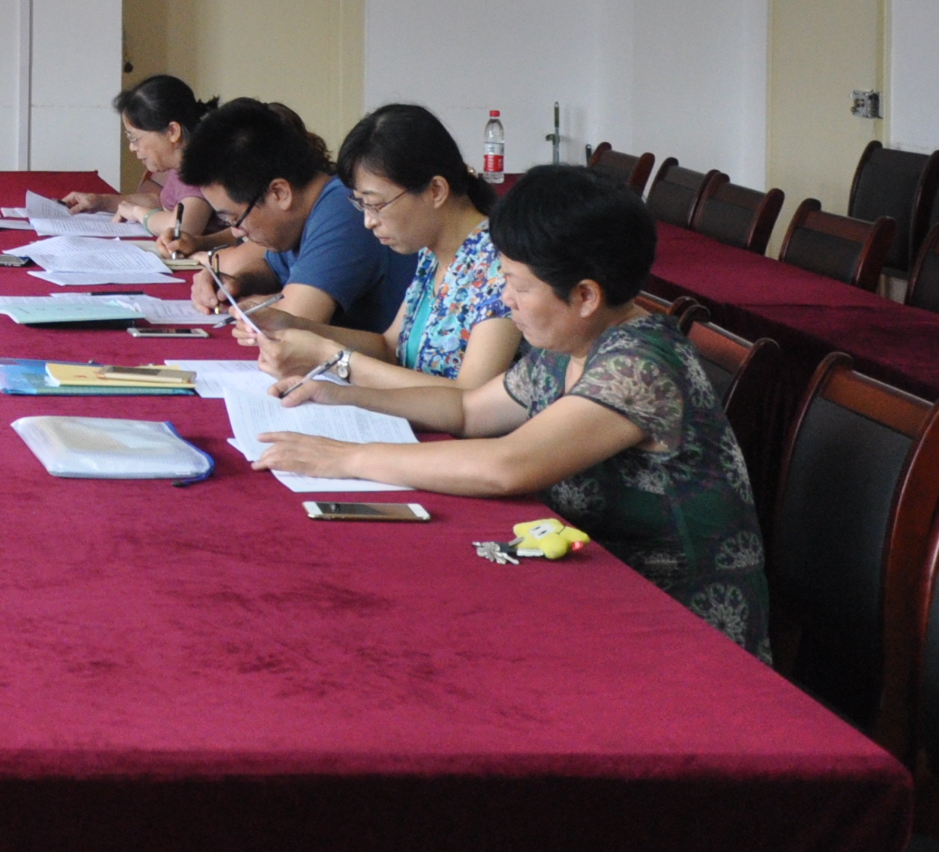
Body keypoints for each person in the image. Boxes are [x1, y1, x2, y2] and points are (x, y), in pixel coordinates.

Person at [252, 164, 769, 656]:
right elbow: (468, 409)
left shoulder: (639, 365)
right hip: (590, 579)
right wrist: (341, 393)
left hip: (676, 623)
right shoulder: (570, 343)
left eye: (518, 286)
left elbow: (507, 465)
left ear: (586, 295)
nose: (506, 298)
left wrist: (345, 458)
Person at [241, 104, 520, 391]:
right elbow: (390, 348)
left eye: (376, 204)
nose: (368, 221)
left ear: (436, 191)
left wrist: (329, 357)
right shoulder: (432, 252)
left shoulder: (501, 264)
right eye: (361, 204)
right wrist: (294, 325)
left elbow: (470, 396)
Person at [176, 98, 420, 332]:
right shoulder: (300, 217)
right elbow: (272, 269)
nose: (236, 232)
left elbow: (294, 321)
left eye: (235, 219)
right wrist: (236, 283)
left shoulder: (345, 210)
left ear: (279, 193)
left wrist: (254, 304)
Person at [59, 74, 229, 253]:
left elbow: (181, 228)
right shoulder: (179, 163)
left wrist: (138, 213)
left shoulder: (200, 167)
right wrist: (101, 201)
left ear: (172, 131)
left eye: (134, 138)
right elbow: (163, 204)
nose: (132, 147)